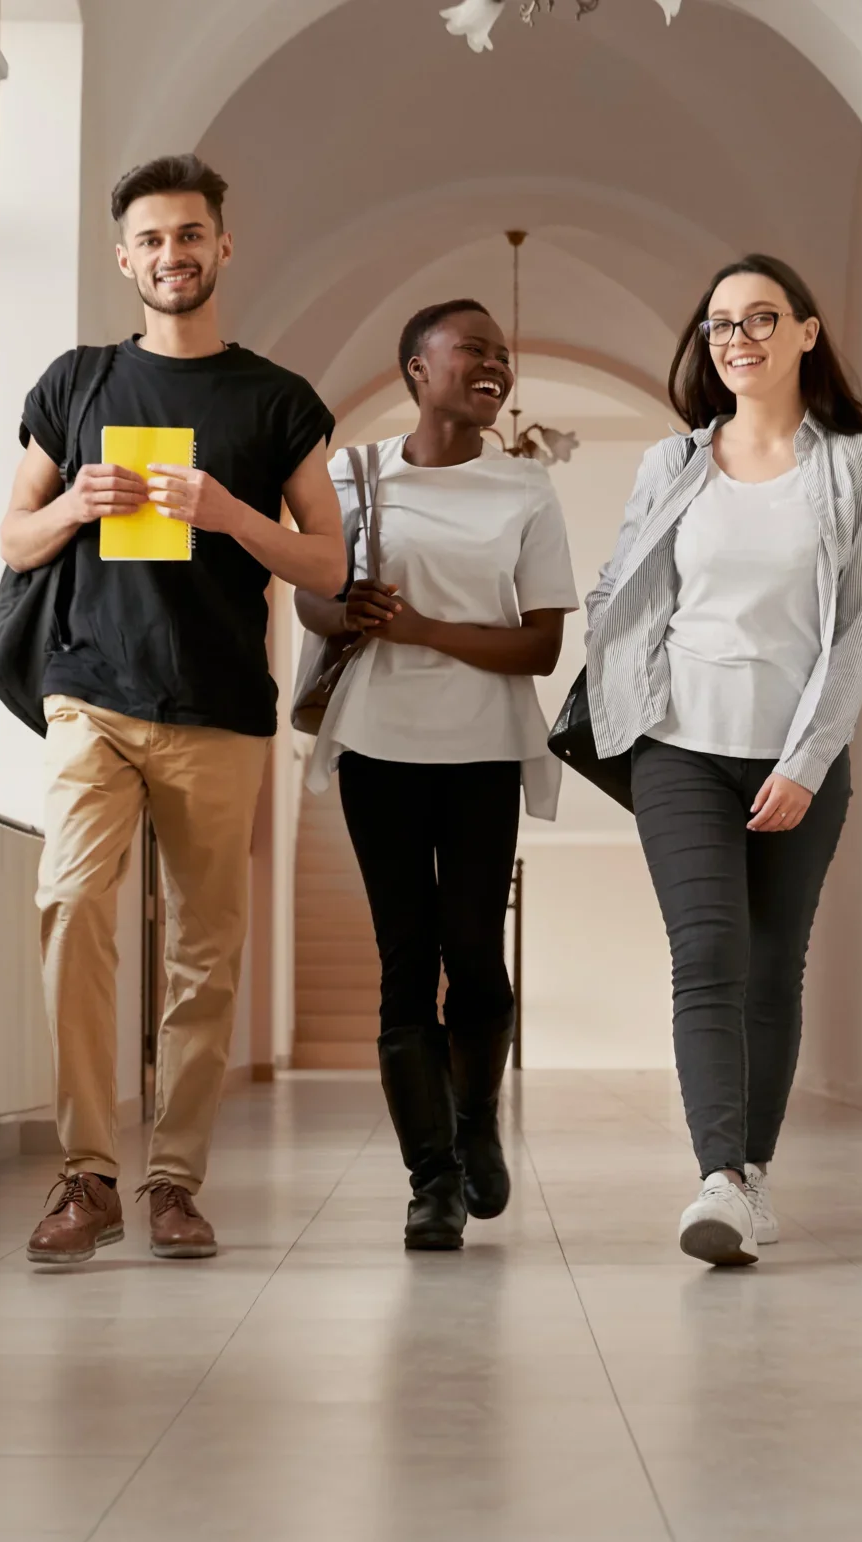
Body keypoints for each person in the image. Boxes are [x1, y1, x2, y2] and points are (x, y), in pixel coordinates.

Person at [0, 155, 346, 1263]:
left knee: (205, 952)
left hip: (218, 706)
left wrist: (230, 512)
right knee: (69, 903)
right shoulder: (76, 383)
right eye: (150, 240)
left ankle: (173, 1183)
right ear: (124, 258)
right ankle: (86, 1172)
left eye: (189, 235)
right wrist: (71, 509)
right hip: (88, 691)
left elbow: (329, 567)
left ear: (221, 247)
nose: (171, 255)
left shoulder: (277, 400)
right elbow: (12, 536)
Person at [586, 255, 862, 1267]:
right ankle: (716, 1176)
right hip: (679, 745)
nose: (738, 339)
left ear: (807, 332)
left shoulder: (854, 466)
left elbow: (856, 630)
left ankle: (753, 1173)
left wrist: (808, 759)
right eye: (720, 324)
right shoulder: (671, 464)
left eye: (761, 318)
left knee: (773, 969)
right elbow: (620, 588)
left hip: (798, 754)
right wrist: (627, 695)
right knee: (707, 957)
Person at [295, 301, 576, 1251]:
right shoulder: (353, 471)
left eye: (502, 351)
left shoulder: (525, 488)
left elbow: (540, 644)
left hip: (483, 749)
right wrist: (344, 612)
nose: (494, 363)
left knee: (476, 958)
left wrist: (420, 630)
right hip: (377, 741)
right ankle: (432, 1183)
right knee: (405, 963)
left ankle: (473, 1117)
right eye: (472, 350)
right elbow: (309, 591)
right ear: (419, 369)